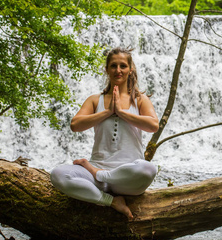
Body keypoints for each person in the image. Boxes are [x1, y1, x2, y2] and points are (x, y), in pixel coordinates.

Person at [50, 47, 159, 220]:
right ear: (106, 69)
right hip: (97, 172)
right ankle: (110, 201)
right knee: (58, 174)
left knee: (148, 169)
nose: (118, 70)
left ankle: (99, 174)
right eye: (113, 66)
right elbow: (75, 125)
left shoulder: (139, 99)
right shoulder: (95, 100)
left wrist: (122, 113)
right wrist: (107, 112)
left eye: (123, 66)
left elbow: (153, 125)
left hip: (126, 179)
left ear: (130, 69)